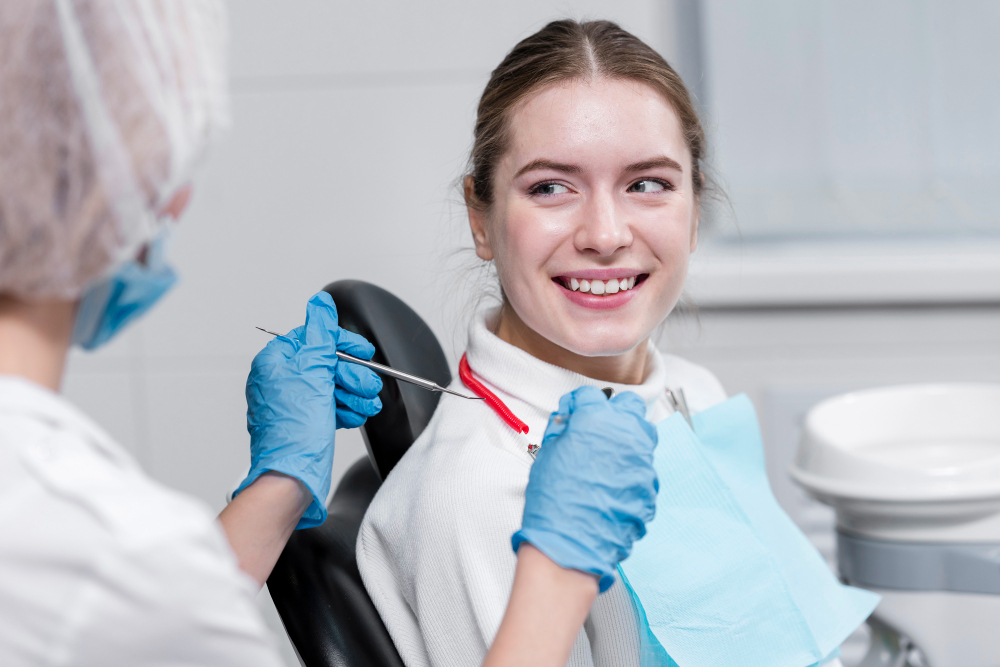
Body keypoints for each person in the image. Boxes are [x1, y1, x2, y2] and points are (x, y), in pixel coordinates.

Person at [0, 3, 660, 665]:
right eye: (159, 169)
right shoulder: (94, 552)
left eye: (649, 182)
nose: (605, 234)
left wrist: (278, 483)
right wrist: (552, 576)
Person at [357, 19, 849, 667]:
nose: (606, 232)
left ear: (695, 209)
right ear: (481, 219)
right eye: (550, 187)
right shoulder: (475, 495)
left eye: (647, 183)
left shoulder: (688, 390)